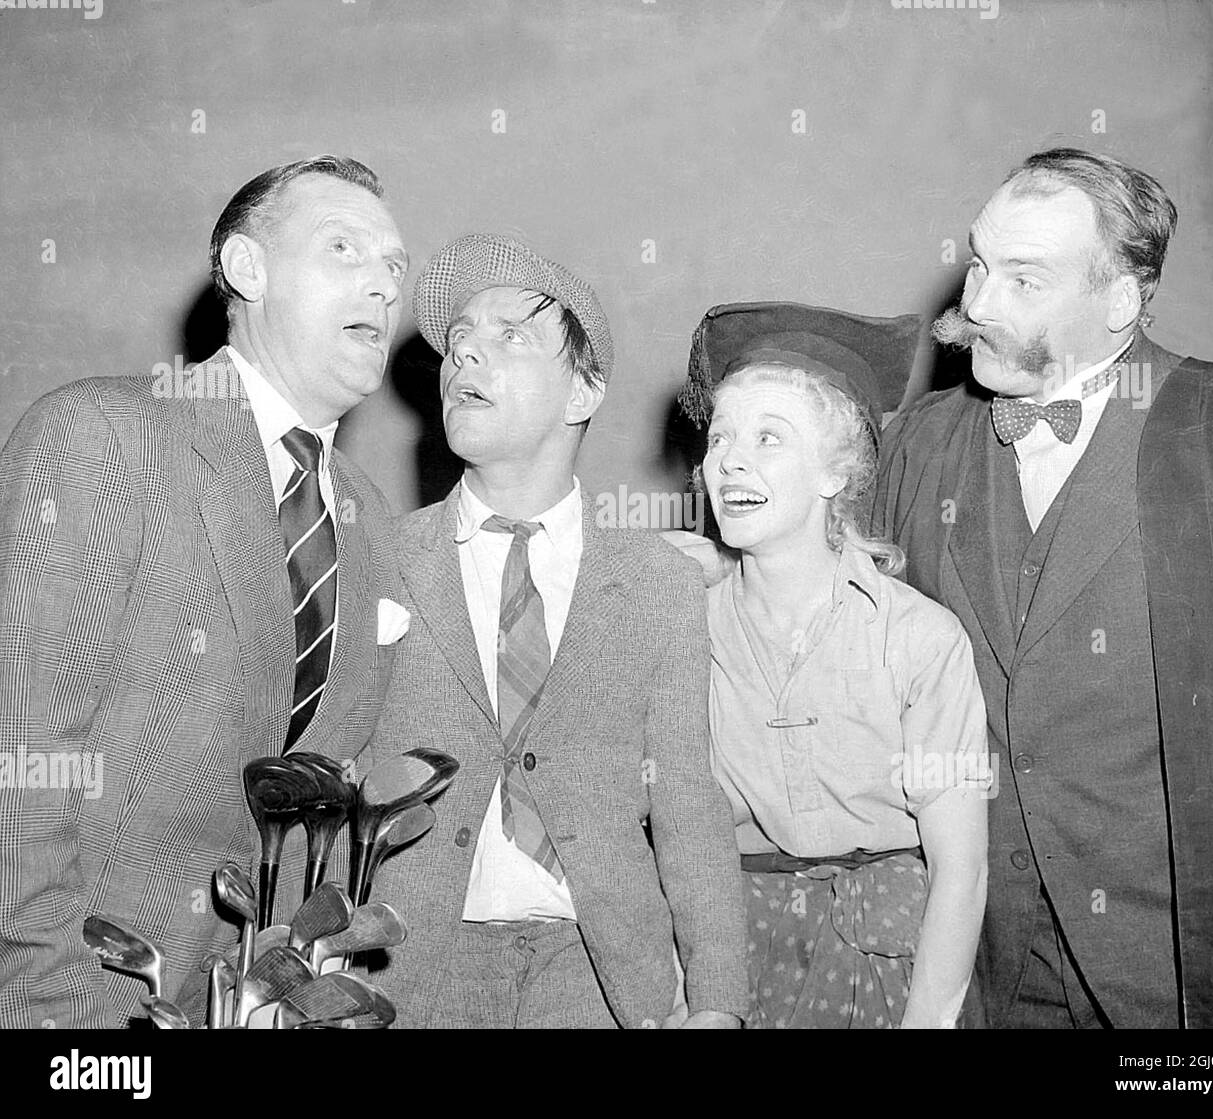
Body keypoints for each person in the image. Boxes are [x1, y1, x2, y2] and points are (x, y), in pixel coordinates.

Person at [872, 147, 1213, 1029]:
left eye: (1024, 280)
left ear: (1122, 300)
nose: (978, 304)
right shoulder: (914, 447)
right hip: (982, 967)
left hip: (1198, 975)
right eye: (980, 265)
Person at [0, 155, 408, 1028]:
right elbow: (18, 773)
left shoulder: (371, 520)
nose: (381, 283)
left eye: (394, 267)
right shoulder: (101, 434)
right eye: (345, 248)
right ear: (246, 267)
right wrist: (67, 1022)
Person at [367, 234, 750, 1029]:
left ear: (583, 391)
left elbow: (686, 805)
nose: (467, 356)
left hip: (601, 981)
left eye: (510, 336)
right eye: (460, 341)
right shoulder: (374, 557)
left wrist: (719, 1007)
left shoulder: (657, 584)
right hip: (410, 979)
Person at [682, 302, 989, 1028]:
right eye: (719, 434)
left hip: (888, 962)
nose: (730, 458)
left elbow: (962, 870)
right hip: (730, 967)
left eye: (768, 437)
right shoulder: (681, 629)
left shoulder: (922, 640)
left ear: (836, 472)